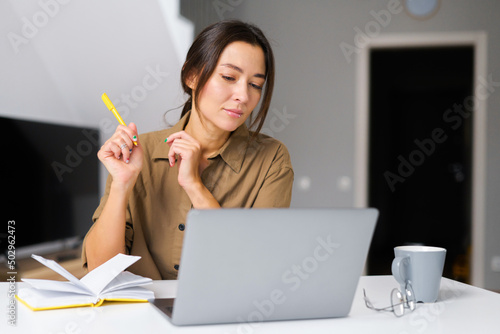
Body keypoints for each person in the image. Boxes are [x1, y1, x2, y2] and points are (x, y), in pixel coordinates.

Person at [82, 20, 294, 280]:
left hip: (225, 316)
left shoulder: (272, 158)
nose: (243, 95)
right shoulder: (140, 152)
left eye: (255, 85)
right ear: (192, 75)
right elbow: (100, 271)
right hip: (142, 316)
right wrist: (121, 184)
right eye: (229, 77)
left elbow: (256, 264)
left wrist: (194, 184)